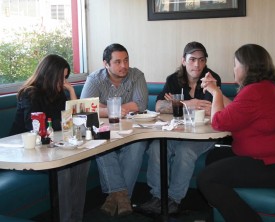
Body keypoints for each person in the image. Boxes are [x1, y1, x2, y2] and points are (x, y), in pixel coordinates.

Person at [198, 44, 275, 222]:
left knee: (206, 179)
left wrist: (215, 93)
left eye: (235, 64)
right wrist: (218, 93)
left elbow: (218, 122)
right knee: (215, 156)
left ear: (246, 67)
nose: (234, 69)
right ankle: (224, 207)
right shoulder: (268, 88)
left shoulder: (255, 92)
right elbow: (236, 110)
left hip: (274, 167)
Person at [138, 41, 221, 214]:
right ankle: (157, 197)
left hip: (203, 134)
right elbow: (159, 106)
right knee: (155, 148)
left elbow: (211, 110)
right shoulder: (173, 79)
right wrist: (189, 104)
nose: (197, 65)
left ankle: (174, 200)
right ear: (183, 61)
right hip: (177, 132)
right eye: (192, 60)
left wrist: (177, 104)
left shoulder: (211, 80)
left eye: (201, 60)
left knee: (185, 152)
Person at [9, 54, 90, 222]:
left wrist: (72, 91)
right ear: (50, 75)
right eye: (61, 77)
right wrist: (62, 123)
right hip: (27, 151)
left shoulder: (58, 93)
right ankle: (65, 218)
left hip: (50, 147)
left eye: (66, 78)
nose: (64, 82)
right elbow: (34, 127)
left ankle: (76, 217)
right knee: (65, 168)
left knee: (83, 161)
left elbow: (75, 120)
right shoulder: (29, 94)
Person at [80, 43, 148, 216]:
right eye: (117, 62)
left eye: (126, 60)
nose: (124, 66)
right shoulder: (95, 79)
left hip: (131, 130)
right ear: (106, 64)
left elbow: (140, 104)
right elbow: (86, 106)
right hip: (104, 129)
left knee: (138, 144)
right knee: (99, 141)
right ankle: (123, 197)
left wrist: (102, 107)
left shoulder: (136, 75)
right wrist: (114, 109)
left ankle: (114, 197)